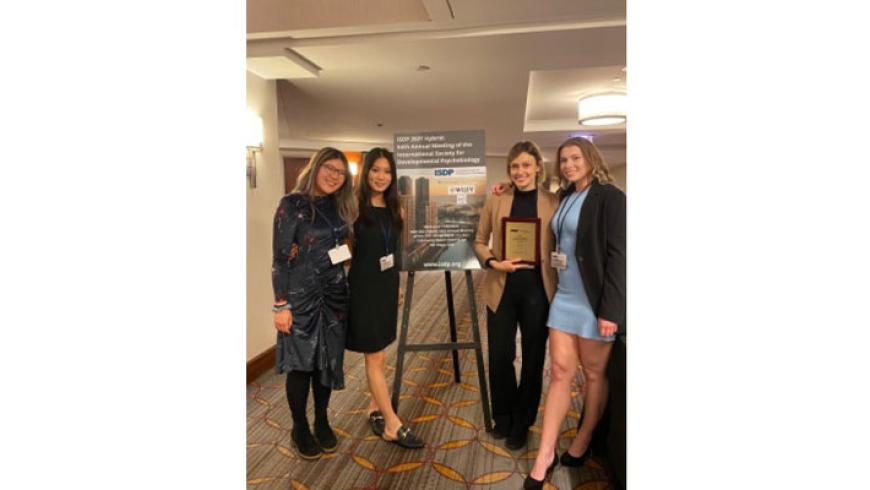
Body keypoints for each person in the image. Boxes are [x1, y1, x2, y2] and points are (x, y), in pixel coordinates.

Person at [524, 137, 626, 489]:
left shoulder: (610, 197)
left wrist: (611, 309)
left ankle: (582, 441)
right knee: (561, 375)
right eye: (563, 160)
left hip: (594, 303)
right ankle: (545, 454)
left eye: (575, 158)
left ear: (590, 158)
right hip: (564, 298)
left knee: (595, 375)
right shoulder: (565, 197)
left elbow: (619, 257)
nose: (568, 164)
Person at [473, 141, 559, 450]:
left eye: (525, 165)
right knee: (499, 356)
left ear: (538, 166)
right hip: (501, 287)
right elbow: (480, 240)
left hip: (538, 289)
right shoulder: (497, 199)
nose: (520, 171)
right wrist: (494, 262)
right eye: (514, 167)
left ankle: (523, 422)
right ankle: (504, 416)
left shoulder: (554, 201)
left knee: (534, 359)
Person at [271, 147, 357, 461]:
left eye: (341, 172)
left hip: (334, 296)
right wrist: (281, 305)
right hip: (300, 298)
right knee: (301, 365)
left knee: (326, 363)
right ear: (316, 166)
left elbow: (341, 249)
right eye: (330, 168)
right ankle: (299, 426)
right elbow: (280, 259)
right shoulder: (291, 204)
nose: (335, 176)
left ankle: (322, 420)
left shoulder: (340, 206)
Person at [346, 148, 424, 449]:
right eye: (375, 170)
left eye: (387, 171)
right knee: (375, 355)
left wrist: (397, 285)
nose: (381, 176)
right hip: (363, 289)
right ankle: (392, 423)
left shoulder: (395, 209)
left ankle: (372, 407)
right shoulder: (352, 207)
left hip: (387, 286)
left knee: (381, 350)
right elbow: (343, 252)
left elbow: (392, 252)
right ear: (366, 173)